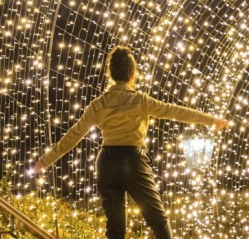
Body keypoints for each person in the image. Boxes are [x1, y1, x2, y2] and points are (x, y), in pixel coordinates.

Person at [34, 46, 229, 239]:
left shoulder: (98, 104)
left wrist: (45, 160)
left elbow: (73, 134)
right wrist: (210, 119)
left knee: (116, 230)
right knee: (158, 220)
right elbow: (176, 111)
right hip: (132, 161)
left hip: (106, 163)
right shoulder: (140, 100)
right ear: (132, 73)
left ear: (110, 73)